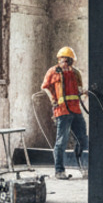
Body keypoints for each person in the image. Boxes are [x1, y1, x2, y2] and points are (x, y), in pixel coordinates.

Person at [41, 46, 89, 180]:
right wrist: (52, 98)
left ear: (72, 61)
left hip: (76, 110)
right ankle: (59, 171)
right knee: (61, 141)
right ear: (59, 59)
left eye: (68, 60)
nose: (66, 62)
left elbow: (79, 89)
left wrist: (84, 92)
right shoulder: (53, 71)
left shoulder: (76, 73)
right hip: (62, 111)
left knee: (82, 139)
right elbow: (44, 87)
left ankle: (83, 167)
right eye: (63, 60)